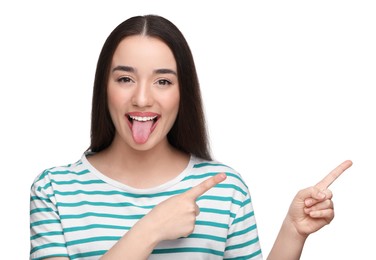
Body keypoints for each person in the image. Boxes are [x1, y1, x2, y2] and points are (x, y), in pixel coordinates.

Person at [29, 14, 352, 260]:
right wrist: (152, 229)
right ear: (104, 87)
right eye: (125, 78)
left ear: (184, 93)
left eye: (163, 82)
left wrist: (292, 233)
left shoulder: (225, 187)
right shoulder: (55, 189)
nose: (142, 98)